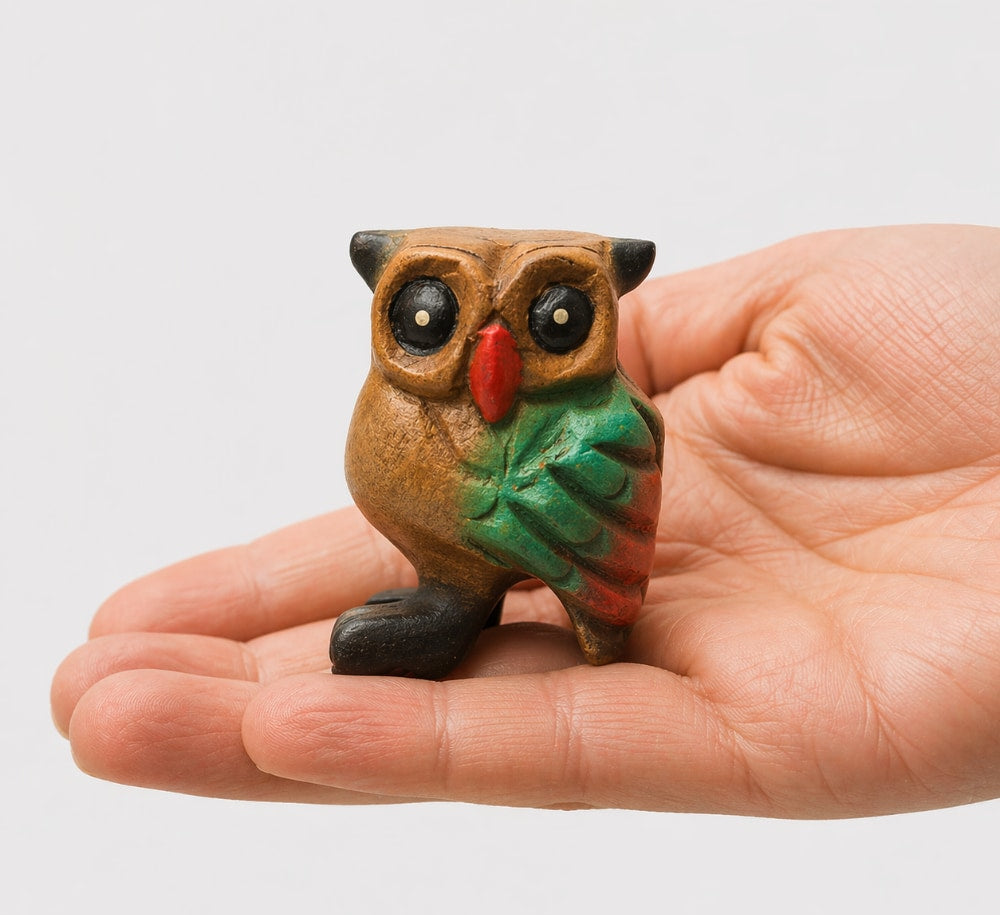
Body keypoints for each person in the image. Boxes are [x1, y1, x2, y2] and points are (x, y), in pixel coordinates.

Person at [50, 225, 1000, 816]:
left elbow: (596, 534)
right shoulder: (400, 414)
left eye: (551, 320)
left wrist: (603, 623)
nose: (487, 355)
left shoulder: (598, 426)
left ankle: (506, 609)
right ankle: (456, 602)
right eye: (430, 315)